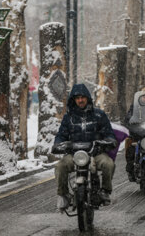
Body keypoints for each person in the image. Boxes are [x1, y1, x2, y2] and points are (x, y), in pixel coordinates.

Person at [53, 83, 117, 211]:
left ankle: (105, 191)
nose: (80, 100)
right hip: (74, 155)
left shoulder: (99, 115)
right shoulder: (68, 117)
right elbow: (61, 135)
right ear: (73, 100)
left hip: (95, 153)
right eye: (77, 98)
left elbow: (109, 133)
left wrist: (108, 141)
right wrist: (58, 144)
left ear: (87, 98)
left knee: (108, 164)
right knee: (60, 166)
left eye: (82, 97)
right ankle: (64, 195)